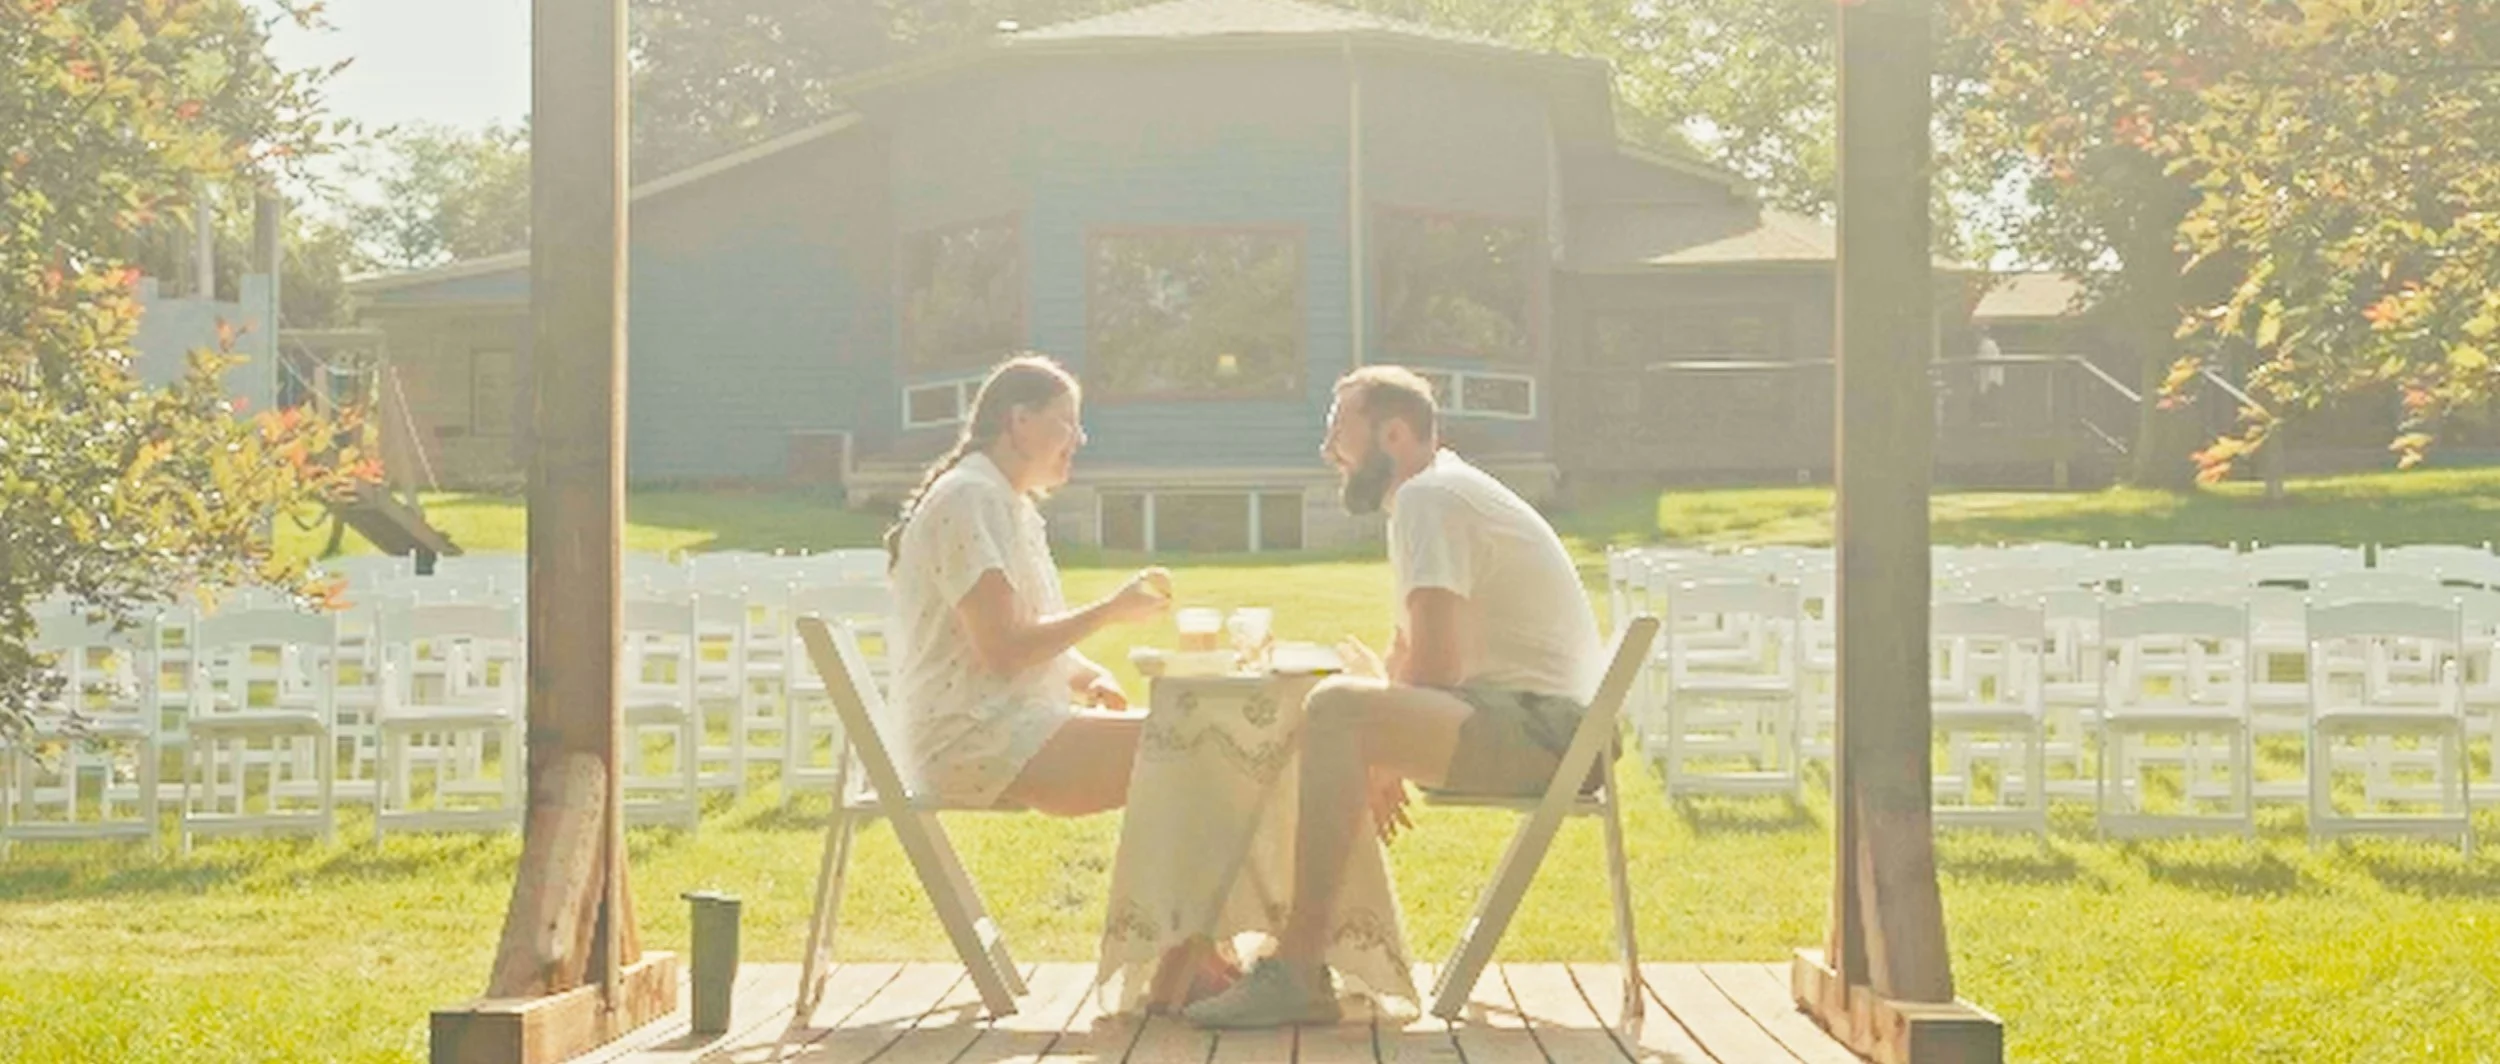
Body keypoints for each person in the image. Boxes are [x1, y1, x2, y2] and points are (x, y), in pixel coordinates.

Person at [1185, 366, 1604, 1028]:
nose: (1328, 450)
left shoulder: (1429, 499)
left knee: (1332, 710)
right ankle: (1296, 952)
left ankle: (1295, 969)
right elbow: (1408, 650)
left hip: (1548, 734)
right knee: (1330, 711)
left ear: (1395, 433)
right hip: (1542, 727)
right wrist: (1375, 742)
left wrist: (1379, 754)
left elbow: (1436, 666)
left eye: (1338, 430)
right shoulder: (1434, 494)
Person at [884, 354, 1172, 816]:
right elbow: (1006, 650)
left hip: (1008, 725)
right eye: (1066, 422)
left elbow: (1019, 632)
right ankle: (1170, 892)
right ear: (1018, 421)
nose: (1079, 438)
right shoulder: (970, 497)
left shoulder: (1006, 503)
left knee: (1199, 745)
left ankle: (1176, 890)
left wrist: (1086, 676)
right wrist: (1109, 611)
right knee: (1191, 745)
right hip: (968, 740)